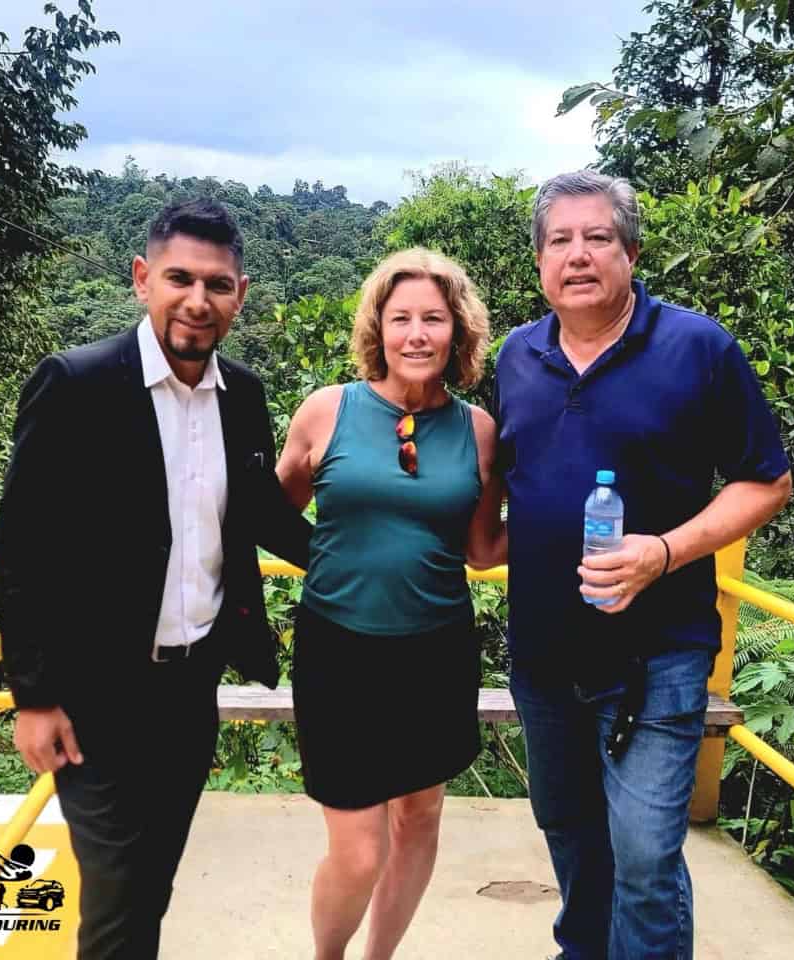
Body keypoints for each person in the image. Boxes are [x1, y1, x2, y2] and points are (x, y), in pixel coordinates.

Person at [0, 199, 312, 960]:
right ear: (143, 279)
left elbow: (262, 515)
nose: (198, 301)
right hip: (94, 697)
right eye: (179, 279)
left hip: (188, 691)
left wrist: (375, 557)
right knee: (116, 899)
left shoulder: (243, 395)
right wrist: (33, 697)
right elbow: (22, 546)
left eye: (218, 284)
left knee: (151, 888)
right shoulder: (76, 383)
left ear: (240, 295)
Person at [493, 170, 792, 960]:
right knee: (569, 832)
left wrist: (663, 552)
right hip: (545, 656)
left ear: (629, 252)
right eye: (560, 240)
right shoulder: (516, 356)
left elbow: (767, 482)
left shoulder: (697, 348)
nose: (578, 255)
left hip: (659, 653)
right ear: (539, 261)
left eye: (598, 237)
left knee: (647, 855)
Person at [276, 248, 504, 960]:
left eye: (433, 318)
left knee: (419, 817)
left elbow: (482, 549)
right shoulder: (327, 410)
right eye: (400, 318)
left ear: (457, 330)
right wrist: (336, 562)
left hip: (435, 651)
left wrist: (568, 522)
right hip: (337, 649)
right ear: (378, 327)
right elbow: (274, 513)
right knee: (357, 851)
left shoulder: (478, 430)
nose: (416, 334)